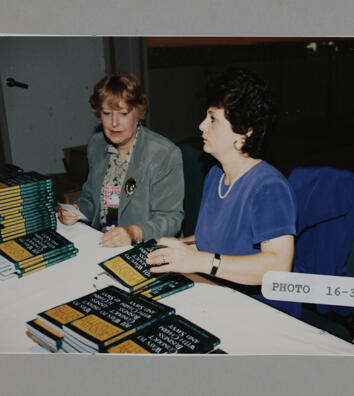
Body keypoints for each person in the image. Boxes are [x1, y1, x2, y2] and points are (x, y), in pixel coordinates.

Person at [146, 68, 296, 291]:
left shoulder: (268, 187)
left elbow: (279, 266)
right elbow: (214, 240)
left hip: (258, 306)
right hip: (219, 289)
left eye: (213, 119)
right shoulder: (216, 174)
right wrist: (176, 246)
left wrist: (198, 261)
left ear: (244, 131)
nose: (202, 126)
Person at [57, 72, 184, 247]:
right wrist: (77, 210)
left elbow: (171, 219)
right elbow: (90, 197)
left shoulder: (164, 154)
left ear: (139, 114)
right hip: (101, 240)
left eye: (123, 113)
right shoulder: (97, 143)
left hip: (145, 248)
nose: (114, 123)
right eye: (107, 113)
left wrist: (133, 232)